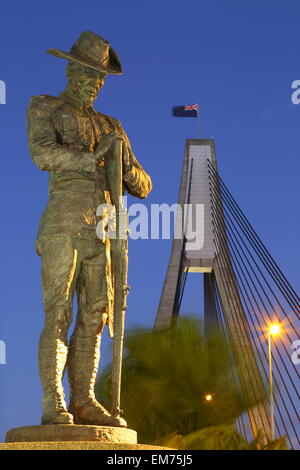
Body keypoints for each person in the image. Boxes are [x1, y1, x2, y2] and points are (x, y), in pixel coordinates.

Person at [27, 31, 152, 427]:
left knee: (96, 316)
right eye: (87, 75)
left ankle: (85, 400)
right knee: (59, 312)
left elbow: (144, 186)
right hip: (64, 221)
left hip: (105, 229)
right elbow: (42, 153)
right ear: (69, 69)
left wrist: (122, 158)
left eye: (99, 78)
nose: (94, 83)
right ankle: (54, 401)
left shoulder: (112, 125)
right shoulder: (45, 107)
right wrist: (92, 158)